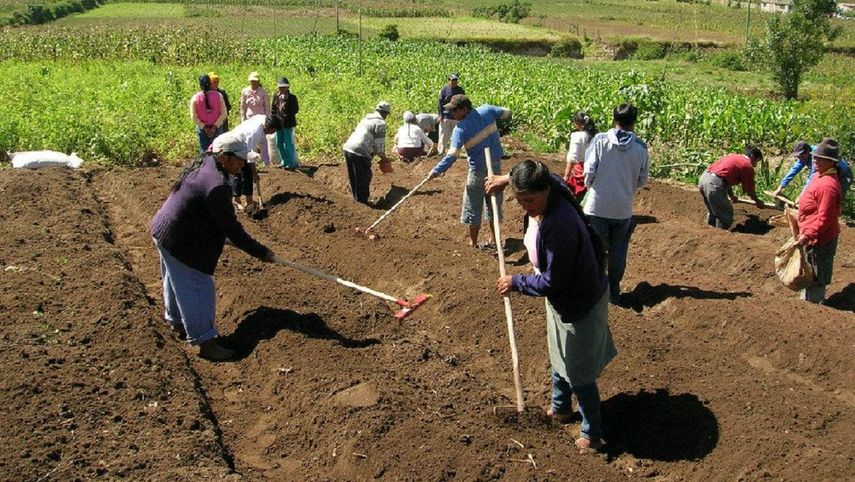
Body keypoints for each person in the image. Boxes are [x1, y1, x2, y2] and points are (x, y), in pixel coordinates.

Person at [492, 160, 616, 454]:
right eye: (519, 200)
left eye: (530, 200)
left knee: (579, 370)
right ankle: (560, 408)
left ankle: (592, 434)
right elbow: (542, 173)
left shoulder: (559, 225)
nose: (525, 207)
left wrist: (517, 281)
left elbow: (553, 282)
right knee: (558, 351)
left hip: (578, 300)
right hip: (562, 299)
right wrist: (506, 179)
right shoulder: (550, 184)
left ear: (545, 191)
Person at [150, 132, 275, 361]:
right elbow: (232, 229)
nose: (242, 164)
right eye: (239, 159)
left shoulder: (205, 163)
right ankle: (205, 342)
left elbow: (209, 215)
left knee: (174, 280)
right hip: (181, 241)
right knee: (198, 288)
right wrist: (261, 252)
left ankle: (176, 322)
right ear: (223, 157)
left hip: (165, 231)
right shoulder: (217, 185)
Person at [583, 104, 649, 305]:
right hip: (622, 210)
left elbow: (589, 172)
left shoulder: (600, 140)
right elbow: (642, 179)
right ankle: (614, 294)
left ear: (614, 119)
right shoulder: (640, 147)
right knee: (618, 254)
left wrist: (592, 186)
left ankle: (595, 293)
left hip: (597, 207)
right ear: (634, 122)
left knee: (596, 252)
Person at [428, 94, 512, 249]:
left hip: (477, 172)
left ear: (465, 109)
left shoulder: (460, 129)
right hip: (495, 168)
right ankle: (495, 240)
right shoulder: (487, 110)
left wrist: (437, 170)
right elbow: (507, 112)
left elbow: (452, 155)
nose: (452, 113)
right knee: (493, 204)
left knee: (473, 206)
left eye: (455, 110)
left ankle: (473, 243)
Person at [796, 138, 843, 304]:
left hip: (820, 240)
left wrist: (807, 235)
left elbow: (825, 219)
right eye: (814, 157)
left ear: (831, 162)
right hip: (812, 236)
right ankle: (806, 304)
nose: (814, 160)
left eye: (819, 158)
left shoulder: (828, 186)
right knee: (809, 273)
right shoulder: (819, 174)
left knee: (817, 276)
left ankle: (814, 306)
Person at [699, 145, 766, 230]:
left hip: (704, 179)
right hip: (713, 184)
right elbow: (749, 189)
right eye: (756, 161)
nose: (755, 165)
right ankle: (720, 234)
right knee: (725, 214)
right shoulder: (747, 165)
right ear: (752, 156)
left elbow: (725, 179)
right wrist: (757, 201)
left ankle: (709, 231)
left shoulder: (733, 157)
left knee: (713, 211)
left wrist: (731, 196)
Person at [342, 101, 394, 204]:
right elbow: (379, 147)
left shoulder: (366, 118)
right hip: (360, 151)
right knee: (364, 176)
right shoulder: (380, 123)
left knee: (353, 176)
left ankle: (357, 200)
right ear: (385, 113)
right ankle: (362, 202)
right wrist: (384, 158)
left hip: (348, 148)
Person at [772, 140, 853, 202]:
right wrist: (780, 188)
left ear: (808, 152)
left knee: (836, 197)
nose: (799, 158)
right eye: (798, 156)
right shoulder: (802, 157)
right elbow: (793, 171)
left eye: (801, 155)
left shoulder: (816, 157)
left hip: (843, 174)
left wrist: (801, 196)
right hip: (829, 173)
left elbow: (812, 178)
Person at [229, 115, 281, 210]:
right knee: (239, 171)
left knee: (247, 171)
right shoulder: (255, 132)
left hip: (243, 143)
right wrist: (254, 173)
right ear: (270, 128)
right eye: (274, 131)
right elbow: (250, 154)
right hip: (236, 144)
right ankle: (237, 201)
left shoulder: (264, 119)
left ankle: (249, 201)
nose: (273, 133)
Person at [239, 71, 272, 167]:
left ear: (258, 81)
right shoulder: (245, 91)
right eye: (252, 81)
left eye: (255, 81)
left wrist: (267, 120)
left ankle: (265, 161)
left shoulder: (263, 92)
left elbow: (267, 107)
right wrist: (243, 119)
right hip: (250, 119)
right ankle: (252, 161)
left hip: (261, 120)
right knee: (250, 139)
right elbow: (243, 107)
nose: (254, 83)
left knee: (263, 140)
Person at [563, 110, 598, 200]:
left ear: (577, 122)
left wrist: (566, 176)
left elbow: (572, 158)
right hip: (595, 169)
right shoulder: (595, 136)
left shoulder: (577, 136)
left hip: (581, 171)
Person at [189, 74, 227, 155]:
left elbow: (193, 117)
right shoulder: (219, 95)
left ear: (200, 85)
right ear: (210, 84)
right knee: (218, 152)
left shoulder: (195, 98)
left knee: (204, 153)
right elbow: (224, 114)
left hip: (203, 129)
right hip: (217, 128)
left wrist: (204, 127)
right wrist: (214, 126)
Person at [271, 76, 300, 170]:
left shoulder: (292, 98)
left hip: (287, 124)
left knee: (288, 144)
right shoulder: (276, 96)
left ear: (287, 87)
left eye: (284, 87)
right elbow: (273, 109)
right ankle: (284, 161)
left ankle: (291, 163)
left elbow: (295, 110)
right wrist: (274, 120)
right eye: (280, 87)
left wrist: (286, 114)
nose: (282, 89)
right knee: (279, 143)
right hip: (278, 124)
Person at [437, 73, 465, 156]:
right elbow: (440, 103)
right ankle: (441, 152)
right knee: (444, 135)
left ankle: (456, 152)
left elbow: (464, 102)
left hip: (457, 117)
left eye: (456, 80)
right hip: (446, 116)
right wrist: (440, 115)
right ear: (449, 81)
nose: (454, 82)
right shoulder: (444, 90)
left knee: (456, 135)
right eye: (452, 80)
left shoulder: (460, 90)